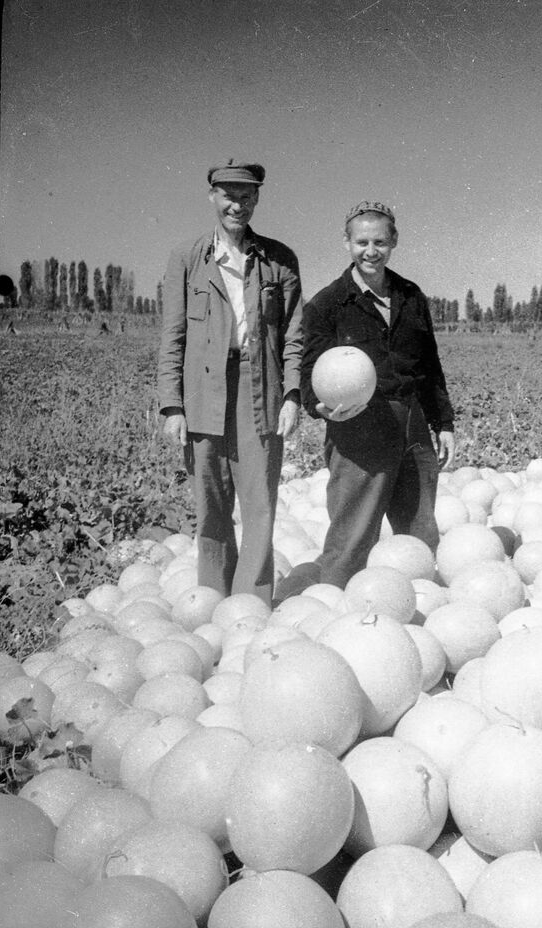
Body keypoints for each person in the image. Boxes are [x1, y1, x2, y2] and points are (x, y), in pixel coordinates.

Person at [276, 199, 455, 598]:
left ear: (393, 243)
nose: (370, 251)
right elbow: (309, 369)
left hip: (411, 424)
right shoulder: (327, 304)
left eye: (379, 242)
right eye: (361, 242)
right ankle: (336, 612)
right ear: (347, 243)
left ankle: (418, 611)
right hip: (359, 426)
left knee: (419, 532)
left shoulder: (411, 296)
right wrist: (316, 405)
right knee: (352, 536)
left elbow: (429, 365)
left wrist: (443, 423)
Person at [158, 160, 303, 605]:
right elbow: (173, 334)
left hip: (261, 387)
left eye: (246, 196)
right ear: (212, 198)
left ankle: (250, 607)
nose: (236, 205)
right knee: (211, 500)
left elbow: (294, 335)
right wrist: (172, 405)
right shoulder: (187, 258)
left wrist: (293, 393)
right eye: (228, 195)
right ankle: (213, 600)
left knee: (259, 501)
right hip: (204, 390)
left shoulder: (279, 259)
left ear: (256, 199)